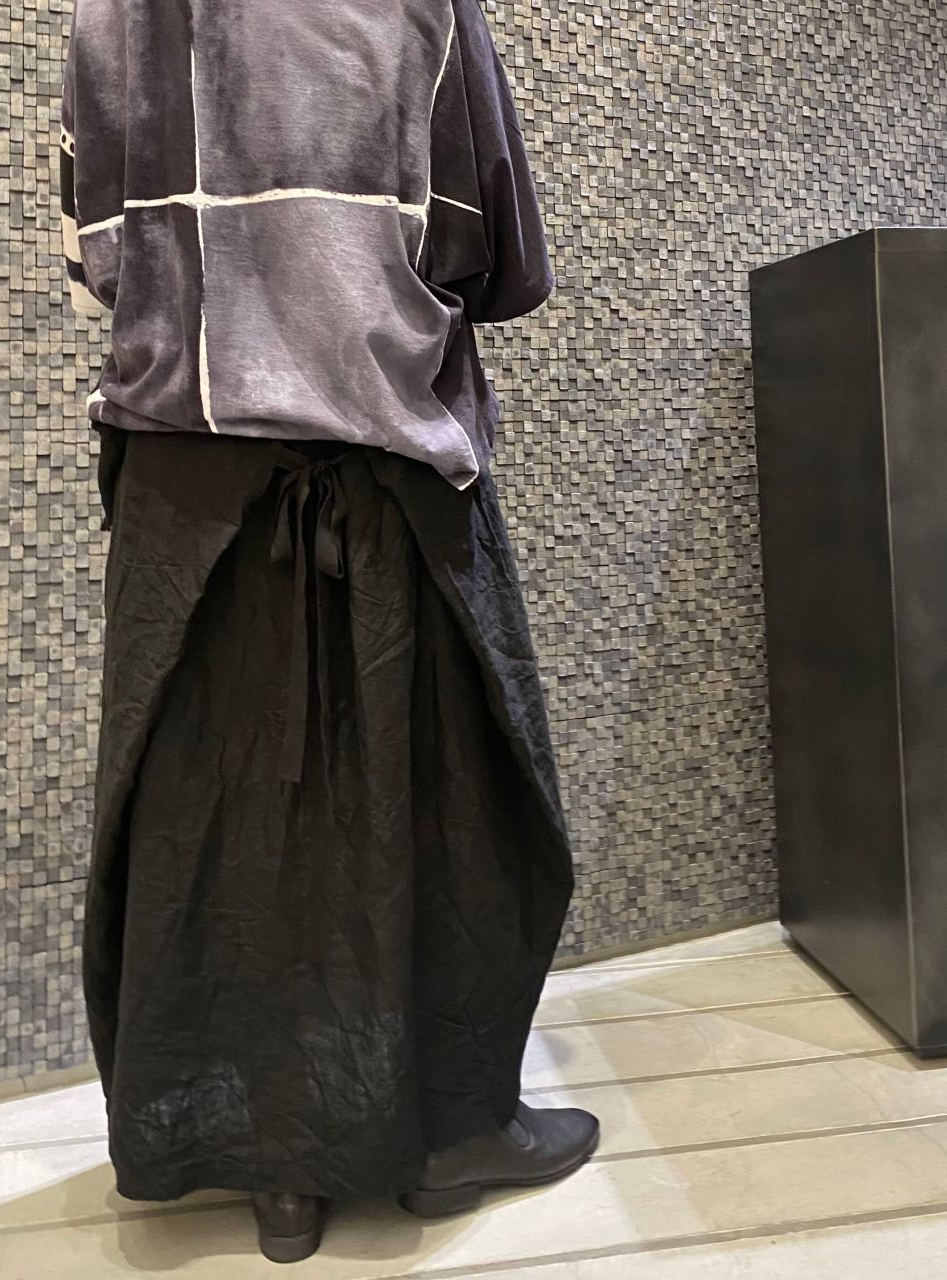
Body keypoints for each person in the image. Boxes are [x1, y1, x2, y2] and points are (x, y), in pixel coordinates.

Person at [59, 0, 599, 1263]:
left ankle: (274, 1166)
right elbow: (495, 257)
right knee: (442, 808)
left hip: (182, 492)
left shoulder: (112, 14)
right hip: (380, 469)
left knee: (216, 825)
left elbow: (93, 252)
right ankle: (446, 1135)